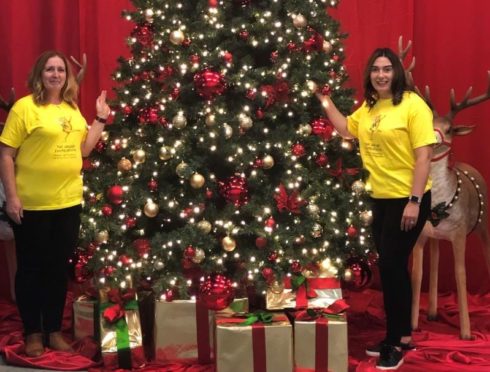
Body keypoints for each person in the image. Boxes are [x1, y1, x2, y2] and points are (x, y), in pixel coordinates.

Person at [316, 47, 436, 370]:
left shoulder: (413, 106)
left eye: (387, 69)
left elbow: (424, 157)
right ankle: (401, 336)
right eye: (375, 70)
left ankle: (396, 342)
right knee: (391, 267)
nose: (381, 75)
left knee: (393, 266)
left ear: (396, 72)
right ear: (370, 75)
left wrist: (413, 201)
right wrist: (324, 100)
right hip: (380, 199)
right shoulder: (369, 107)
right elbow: (345, 129)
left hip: (408, 199)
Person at [0, 50, 110, 357]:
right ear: (40, 74)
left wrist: (100, 117)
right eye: (49, 69)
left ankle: (53, 330)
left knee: (56, 270)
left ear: (67, 76)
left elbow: (85, 150)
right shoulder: (24, 108)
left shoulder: (72, 109)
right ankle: (32, 333)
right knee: (31, 270)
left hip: (68, 202)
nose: (56, 74)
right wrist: (12, 197)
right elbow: (6, 154)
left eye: (61, 69)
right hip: (32, 205)